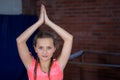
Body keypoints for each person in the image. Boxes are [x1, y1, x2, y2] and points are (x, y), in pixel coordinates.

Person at [16, 4, 73, 80]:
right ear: (35, 49)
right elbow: (20, 41)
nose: (44, 52)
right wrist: (39, 22)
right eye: (40, 48)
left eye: (49, 48)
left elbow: (69, 38)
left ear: (54, 48)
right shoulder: (31, 66)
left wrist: (48, 22)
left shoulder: (59, 66)